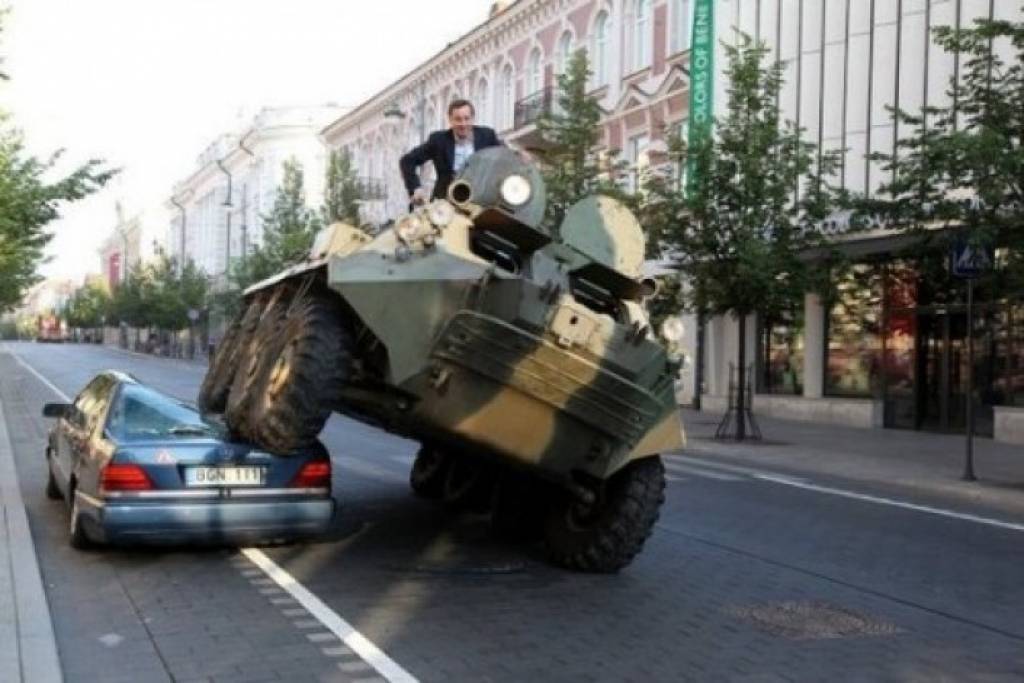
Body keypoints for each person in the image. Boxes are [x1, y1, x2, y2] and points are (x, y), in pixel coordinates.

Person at [399, 99, 501, 206]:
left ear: (473, 118)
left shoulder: (487, 136)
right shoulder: (438, 140)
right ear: (450, 120)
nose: (463, 124)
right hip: (446, 204)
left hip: (482, 201)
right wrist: (416, 189)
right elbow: (407, 161)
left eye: (467, 118)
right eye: (458, 119)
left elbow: (504, 159)